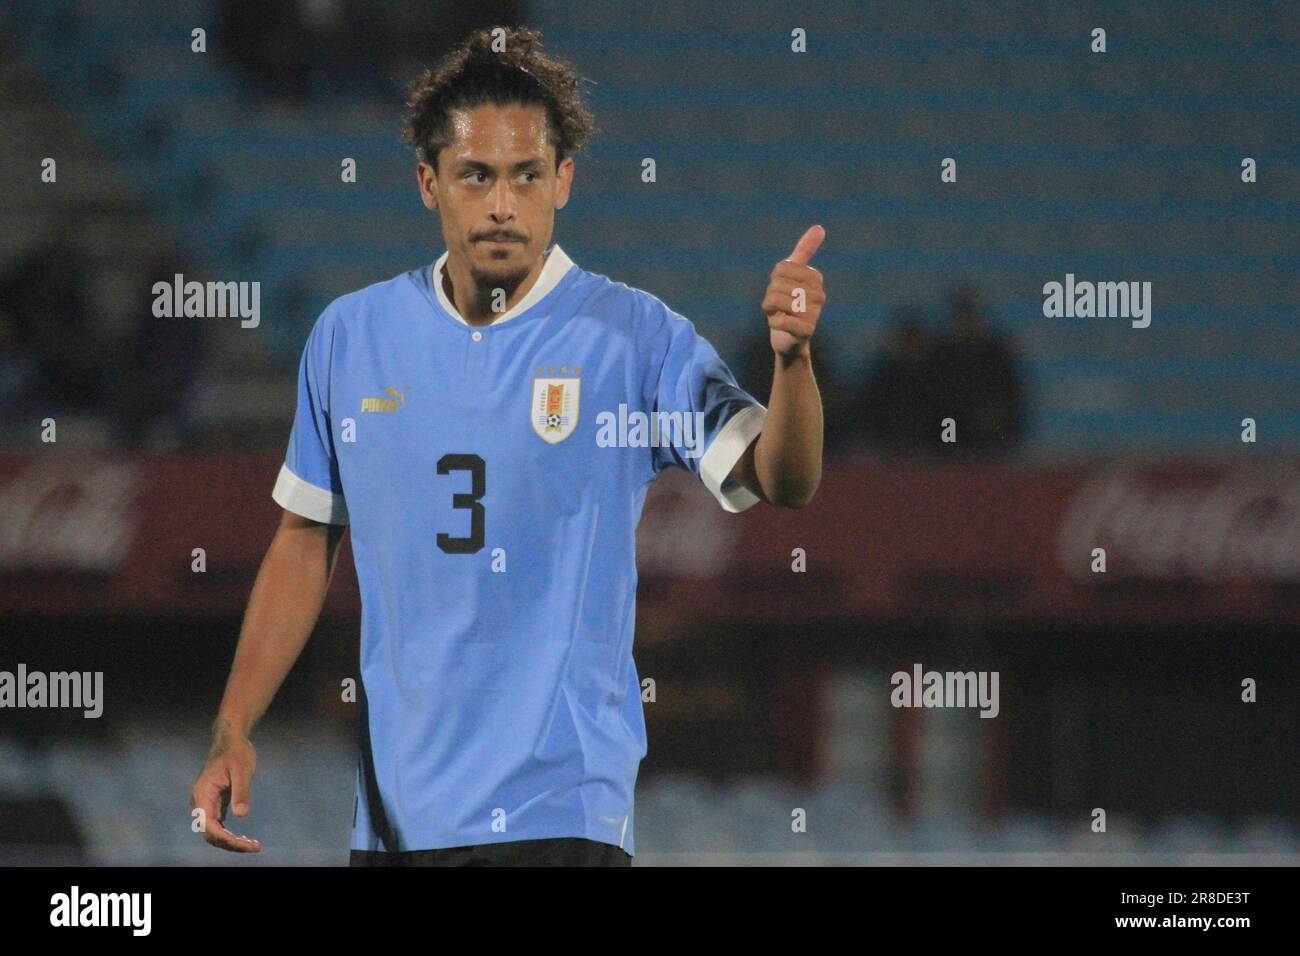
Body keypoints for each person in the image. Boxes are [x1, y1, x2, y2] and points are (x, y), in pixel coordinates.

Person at [190, 26, 827, 867]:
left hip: (563, 809)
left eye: (527, 176)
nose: (501, 205)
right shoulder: (350, 337)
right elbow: (305, 540)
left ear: (563, 180)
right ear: (429, 183)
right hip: (396, 824)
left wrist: (793, 361)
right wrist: (232, 728)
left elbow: (782, 479)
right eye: (475, 176)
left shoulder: (633, 336)